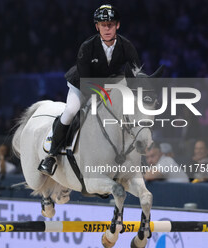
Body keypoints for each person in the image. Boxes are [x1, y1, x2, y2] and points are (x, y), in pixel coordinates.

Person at [39, 4, 140, 175]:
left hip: (109, 84)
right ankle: (51, 155)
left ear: (117, 25)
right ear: (97, 27)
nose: (107, 28)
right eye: (103, 24)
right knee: (71, 111)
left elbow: (136, 72)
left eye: (110, 24)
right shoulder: (87, 47)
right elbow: (87, 83)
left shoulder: (127, 46)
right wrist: (107, 95)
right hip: (82, 85)